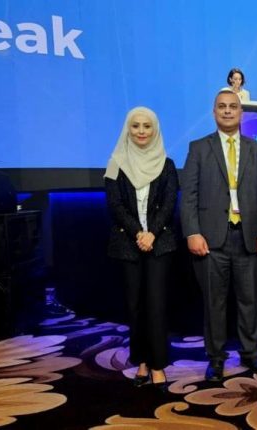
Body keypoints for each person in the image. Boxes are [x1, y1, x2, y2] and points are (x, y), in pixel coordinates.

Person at [180, 90, 257, 382]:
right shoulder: (199, 148)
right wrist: (192, 232)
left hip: (248, 237)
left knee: (249, 302)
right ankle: (216, 359)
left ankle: (251, 354)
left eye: (233, 106)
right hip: (211, 240)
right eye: (221, 106)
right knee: (215, 304)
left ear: (241, 112)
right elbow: (189, 195)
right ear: (214, 112)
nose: (227, 111)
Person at [104, 106, 179, 392]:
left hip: (160, 244)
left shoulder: (167, 165)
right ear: (128, 128)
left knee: (156, 306)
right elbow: (115, 205)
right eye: (135, 126)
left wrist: (152, 234)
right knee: (135, 307)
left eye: (147, 126)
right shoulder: (116, 163)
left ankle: (158, 364)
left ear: (155, 129)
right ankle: (142, 362)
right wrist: (138, 233)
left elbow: (169, 204)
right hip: (128, 244)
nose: (141, 131)